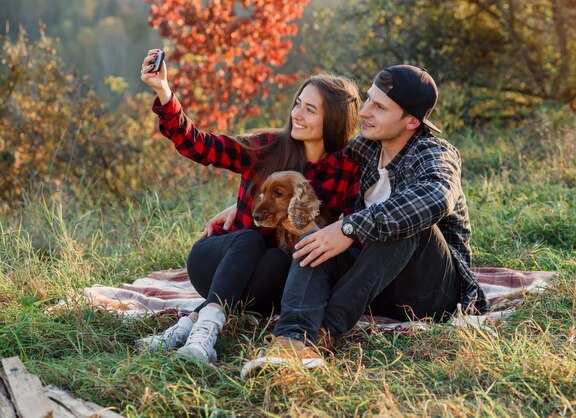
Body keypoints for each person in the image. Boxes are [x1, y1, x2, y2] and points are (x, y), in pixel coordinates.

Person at [241, 65, 489, 378]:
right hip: (375, 285)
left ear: (411, 121)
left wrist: (350, 227)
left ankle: (323, 334)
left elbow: (435, 198)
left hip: (432, 293)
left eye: (379, 107)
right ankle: (292, 342)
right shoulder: (366, 148)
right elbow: (312, 167)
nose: (364, 113)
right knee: (315, 243)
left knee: (410, 222)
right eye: (368, 100)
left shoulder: (434, 153)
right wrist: (251, 201)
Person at [136, 49, 361, 363]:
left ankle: (187, 325)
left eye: (310, 110)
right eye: (298, 104)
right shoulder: (268, 146)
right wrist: (163, 92)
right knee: (251, 239)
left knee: (284, 258)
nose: (297, 114)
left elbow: (352, 226)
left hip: (268, 280)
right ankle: (204, 337)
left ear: (334, 120)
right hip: (220, 258)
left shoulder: (346, 170)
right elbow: (201, 145)